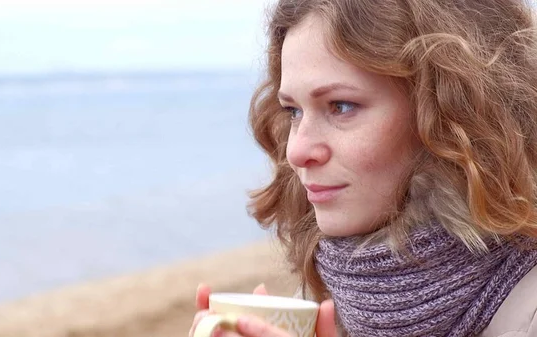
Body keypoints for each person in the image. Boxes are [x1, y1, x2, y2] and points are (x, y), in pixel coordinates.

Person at [190, 0, 537, 336]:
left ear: (453, 114)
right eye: (293, 111)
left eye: (340, 106)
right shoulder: (323, 309)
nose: (297, 151)